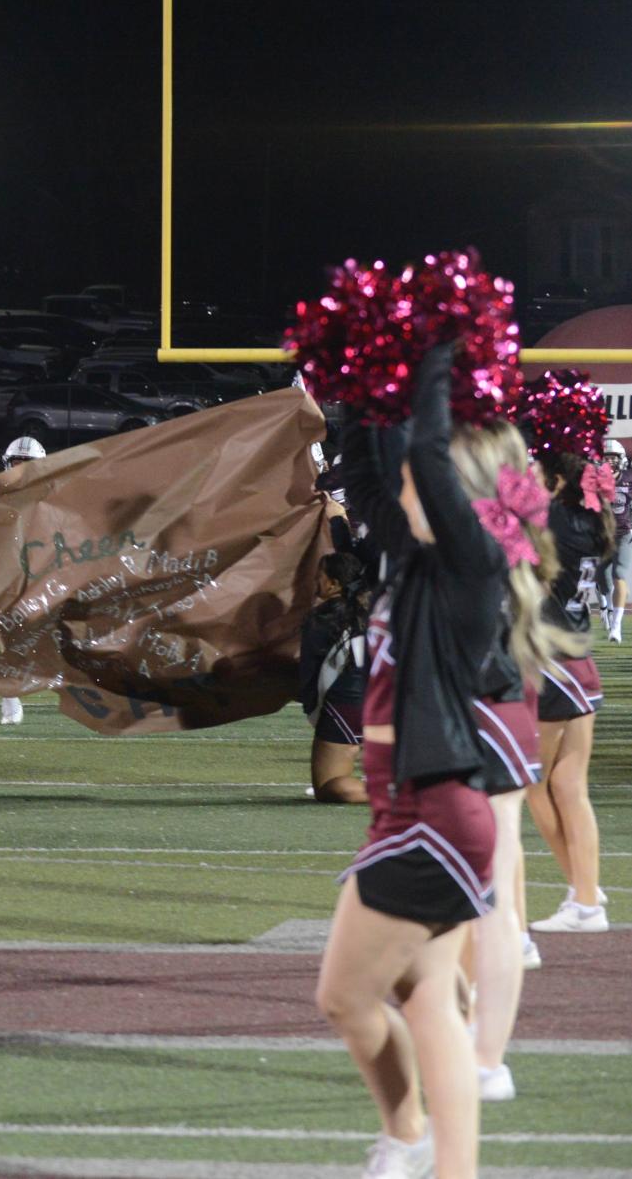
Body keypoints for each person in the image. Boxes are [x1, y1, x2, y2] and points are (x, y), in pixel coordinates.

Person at [323, 342, 571, 1178]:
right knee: (423, 994)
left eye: (421, 485)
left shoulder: (471, 570)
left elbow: (423, 457)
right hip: (413, 809)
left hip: (431, 815)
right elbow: (381, 476)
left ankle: (408, 1139)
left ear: (458, 500)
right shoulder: (423, 565)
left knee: (344, 997)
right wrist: (363, 399)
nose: (403, 492)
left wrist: (432, 353)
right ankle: (430, 1154)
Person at [525, 446, 615, 936]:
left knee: (533, 784)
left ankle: (584, 896)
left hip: (552, 664)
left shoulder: (550, 522)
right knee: (567, 786)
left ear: (556, 479)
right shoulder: (588, 521)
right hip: (579, 661)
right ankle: (586, 894)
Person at [298, 549, 371, 804]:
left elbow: (307, 673)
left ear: (334, 584)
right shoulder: (370, 611)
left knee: (329, 787)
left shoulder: (324, 617)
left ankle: (402, 797)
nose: (315, 581)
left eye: (320, 576)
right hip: (385, 702)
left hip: (347, 705)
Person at [0, 435, 46, 725]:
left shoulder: (53, 494)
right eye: (17, 463)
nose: (21, 470)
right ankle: (10, 698)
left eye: (28, 464)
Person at [601, 437, 629, 642]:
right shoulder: (594, 481)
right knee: (602, 579)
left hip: (624, 532)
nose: (610, 462)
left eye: (613, 457)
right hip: (601, 534)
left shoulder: (629, 478)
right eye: (606, 457)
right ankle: (607, 609)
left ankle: (616, 626)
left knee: (620, 573)